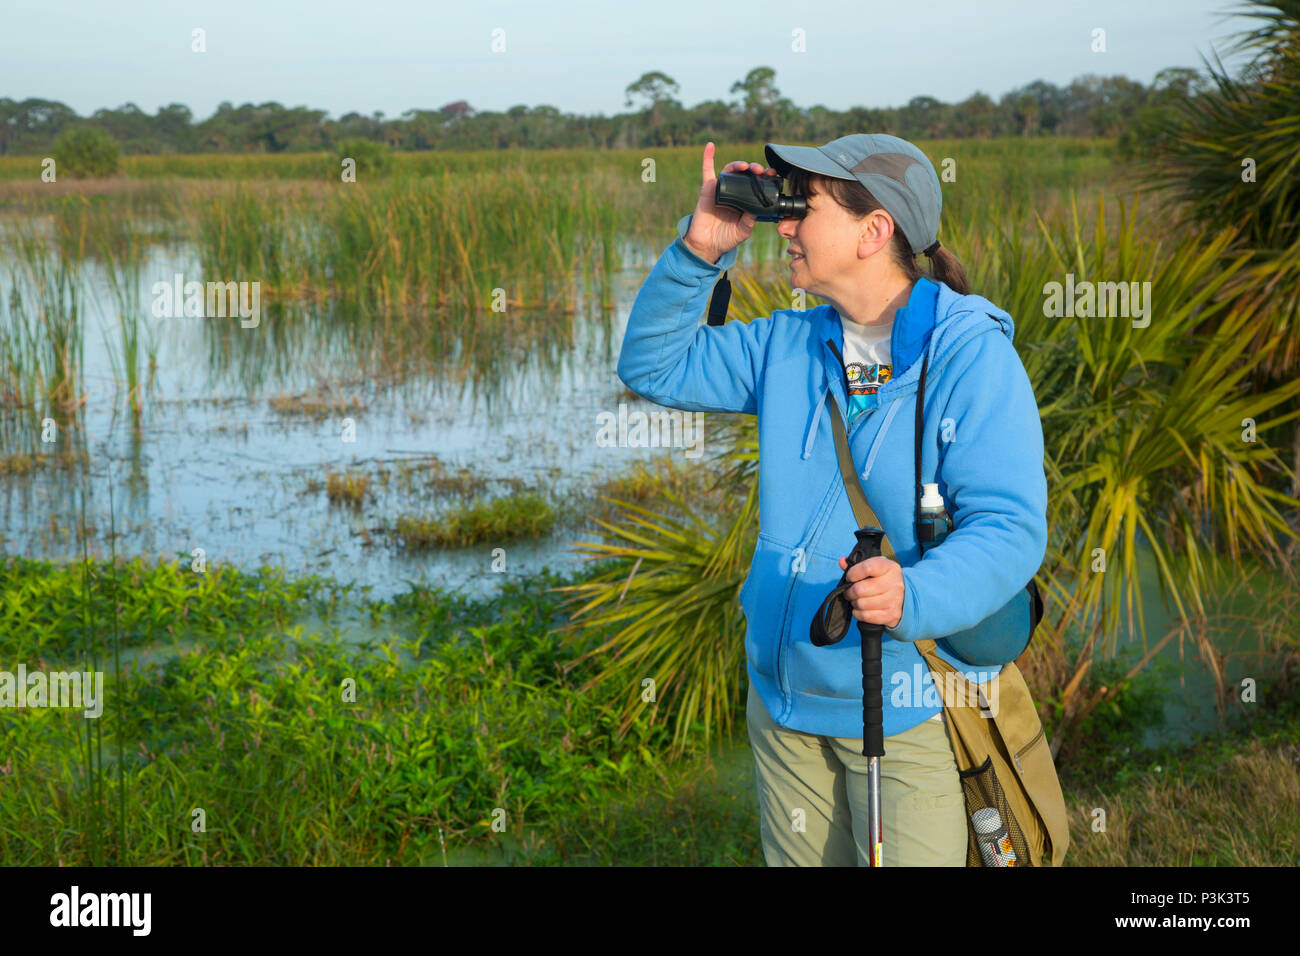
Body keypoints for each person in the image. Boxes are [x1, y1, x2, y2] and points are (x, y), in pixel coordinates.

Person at [617, 133, 1047, 866]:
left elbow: (1008, 527)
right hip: (785, 696)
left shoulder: (969, 355)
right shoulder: (788, 344)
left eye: (803, 209)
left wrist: (913, 593)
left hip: (905, 704)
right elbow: (654, 366)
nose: (784, 228)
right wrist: (700, 251)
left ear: (874, 231)